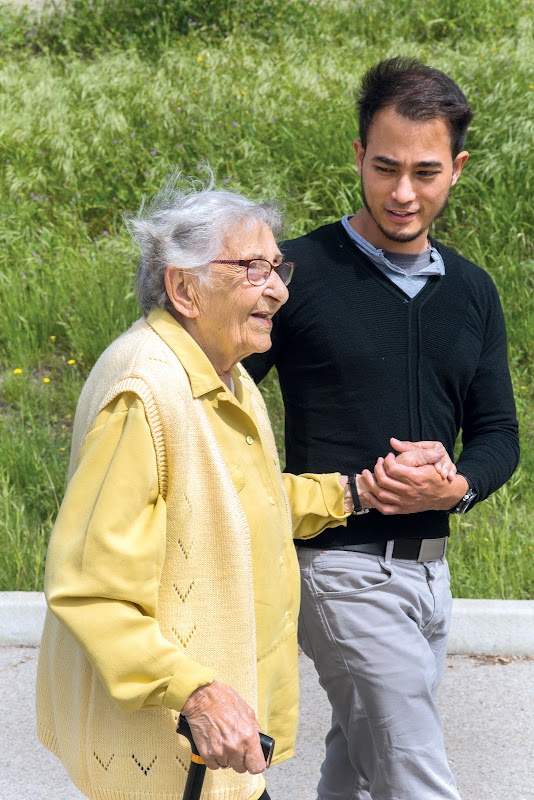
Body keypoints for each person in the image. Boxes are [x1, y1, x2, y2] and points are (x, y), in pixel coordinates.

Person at [36, 171, 455, 800]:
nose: (279, 292)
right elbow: (90, 591)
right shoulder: (145, 392)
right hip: (172, 757)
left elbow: (240, 501)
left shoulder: (224, 379)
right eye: (253, 268)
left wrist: (358, 491)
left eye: (278, 268)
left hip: (215, 758)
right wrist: (197, 693)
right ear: (184, 287)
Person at [244, 57, 519, 800]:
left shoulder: (472, 290)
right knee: (418, 778)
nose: (402, 192)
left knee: (360, 771)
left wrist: (456, 482)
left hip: (432, 579)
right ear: (359, 154)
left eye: (425, 172)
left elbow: (499, 435)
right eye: (385, 166)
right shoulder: (293, 273)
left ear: (457, 168)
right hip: (338, 570)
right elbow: (213, 399)